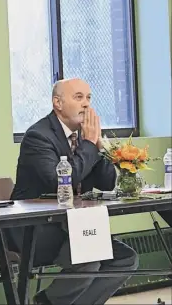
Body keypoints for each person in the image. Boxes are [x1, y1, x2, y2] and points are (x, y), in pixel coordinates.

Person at [9, 78, 139, 305]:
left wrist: (100, 147)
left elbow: (108, 183)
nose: (86, 104)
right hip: (36, 229)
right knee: (89, 258)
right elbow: (60, 183)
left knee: (126, 259)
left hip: (76, 227)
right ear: (57, 103)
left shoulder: (84, 136)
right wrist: (89, 145)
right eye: (78, 97)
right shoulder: (38, 136)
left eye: (89, 98)